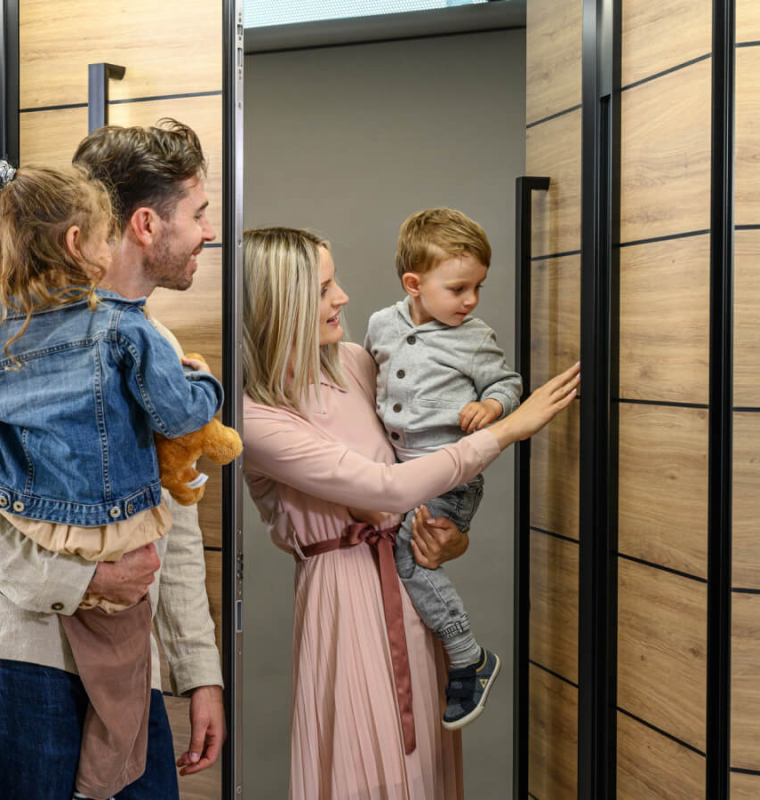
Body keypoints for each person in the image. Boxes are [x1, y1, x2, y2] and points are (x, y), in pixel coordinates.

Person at [241, 226, 579, 799]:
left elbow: (421, 454)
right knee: (360, 764)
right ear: (280, 304)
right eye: (323, 289)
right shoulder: (256, 417)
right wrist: (507, 430)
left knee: (422, 767)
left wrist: (450, 537)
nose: (343, 296)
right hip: (343, 601)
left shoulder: (354, 362)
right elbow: (386, 487)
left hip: (409, 586)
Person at [0, 120, 225, 799]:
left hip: (133, 668)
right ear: (144, 225)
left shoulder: (154, 345)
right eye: (198, 213)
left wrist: (199, 671)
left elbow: (175, 519)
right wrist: (82, 578)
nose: (208, 231)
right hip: (22, 655)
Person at [363, 207, 521, 731]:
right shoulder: (381, 325)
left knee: (413, 558)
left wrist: (492, 406)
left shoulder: (474, 337)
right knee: (388, 557)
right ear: (414, 284)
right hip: (401, 476)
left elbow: (508, 383)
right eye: (458, 289)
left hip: (452, 478)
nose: (471, 300)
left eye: (478, 287)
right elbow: (367, 382)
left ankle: (468, 657)